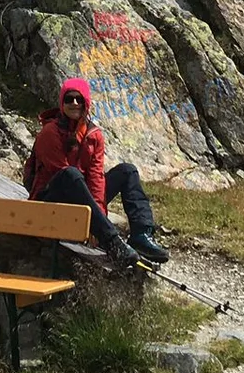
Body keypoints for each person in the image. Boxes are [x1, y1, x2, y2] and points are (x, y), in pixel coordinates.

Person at [25, 77, 169, 267]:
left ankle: (141, 235)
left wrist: (97, 219)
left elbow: (96, 178)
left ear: (86, 102)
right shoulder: (49, 133)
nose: (74, 103)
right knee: (71, 174)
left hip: (81, 199)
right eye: (69, 99)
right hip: (49, 201)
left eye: (79, 99)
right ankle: (113, 243)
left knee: (128, 171)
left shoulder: (94, 135)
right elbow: (62, 175)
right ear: (62, 103)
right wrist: (96, 224)